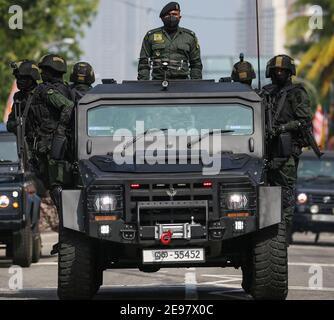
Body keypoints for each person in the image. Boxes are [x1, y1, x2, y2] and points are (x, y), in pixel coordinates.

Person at [262, 54, 313, 243]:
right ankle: (267, 236)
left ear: (290, 72)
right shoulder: (267, 92)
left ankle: (283, 236)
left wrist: (282, 128)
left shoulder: (297, 93)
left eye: (283, 71)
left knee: (286, 197)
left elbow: (304, 121)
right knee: (265, 196)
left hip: (286, 152)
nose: (279, 74)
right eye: (276, 71)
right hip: (266, 151)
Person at [29, 54, 75, 200]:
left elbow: (67, 106)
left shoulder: (48, 91)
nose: (42, 74)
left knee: (56, 186)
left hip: (53, 145)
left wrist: (60, 129)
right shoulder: (66, 88)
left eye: (45, 71)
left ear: (53, 71)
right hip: (51, 144)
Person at [137, 1, 202, 80]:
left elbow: (196, 64)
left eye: (174, 14)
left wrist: (196, 86)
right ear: (162, 18)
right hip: (157, 83)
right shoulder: (151, 36)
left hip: (183, 84)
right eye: (168, 15)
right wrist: (143, 86)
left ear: (179, 17)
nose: (171, 17)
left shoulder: (189, 37)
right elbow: (144, 63)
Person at [7, 60, 41, 152]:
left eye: (23, 78)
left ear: (32, 78)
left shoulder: (42, 94)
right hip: (26, 147)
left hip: (43, 146)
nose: (19, 81)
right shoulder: (19, 97)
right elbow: (10, 124)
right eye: (17, 78)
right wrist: (18, 124)